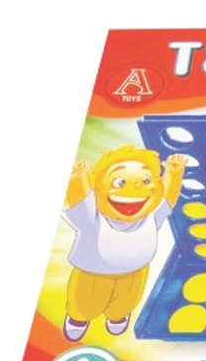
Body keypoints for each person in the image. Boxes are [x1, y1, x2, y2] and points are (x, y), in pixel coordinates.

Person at [62, 145, 186, 341]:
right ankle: (78, 320)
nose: (135, 189)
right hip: (94, 275)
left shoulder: (151, 216)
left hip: (135, 273)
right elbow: (79, 202)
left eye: (146, 181)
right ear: (97, 187)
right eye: (120, 182)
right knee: (85, 302)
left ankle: (118, 317)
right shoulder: (93, 217)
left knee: (126, 301)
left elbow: (168, 199)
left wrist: (174, 173)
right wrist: (77, 179)